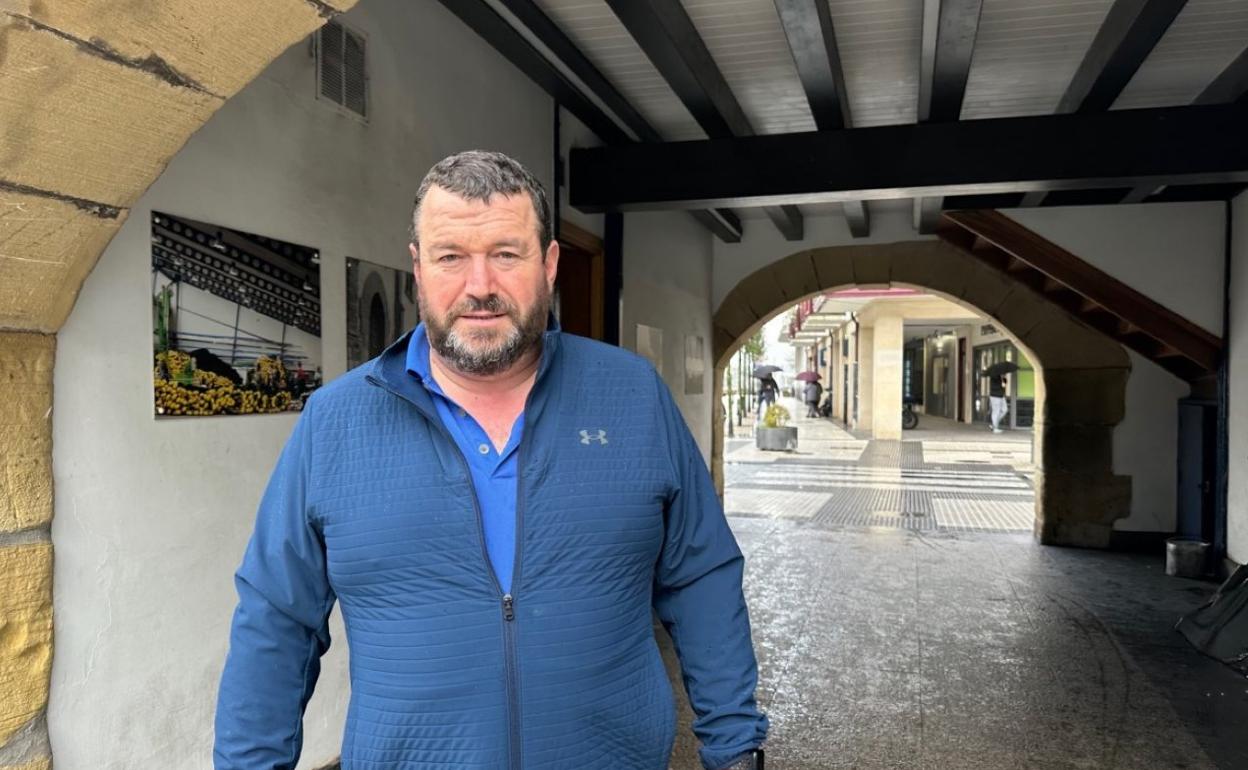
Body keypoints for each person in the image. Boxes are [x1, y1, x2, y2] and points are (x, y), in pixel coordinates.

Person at [214, 151, 768, 770]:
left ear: (550, 264)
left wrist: (736, 744)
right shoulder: (335, 422)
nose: (480, 285)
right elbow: (277, 619)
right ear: (418, 267)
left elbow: (701, 577)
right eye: (451, 256)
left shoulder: (633, 396)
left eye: (506, 254)